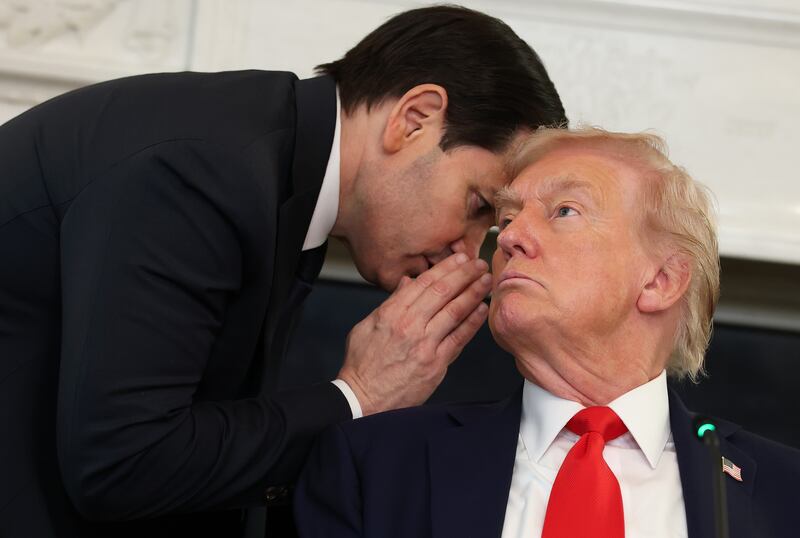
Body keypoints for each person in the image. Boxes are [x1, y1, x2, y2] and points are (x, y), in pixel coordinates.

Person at [0, 5, 567, 538]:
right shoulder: (201, 173)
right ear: (414, 119)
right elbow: (122, 464)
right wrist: (359, 395)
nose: (468, 255)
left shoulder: (279, 164)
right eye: (476, 208)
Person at [294, 127, 800, 538]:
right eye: (507, 218)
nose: (509, 237)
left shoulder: (785, 493)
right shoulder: (377, 465)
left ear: (660, 281)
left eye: (564, 211)